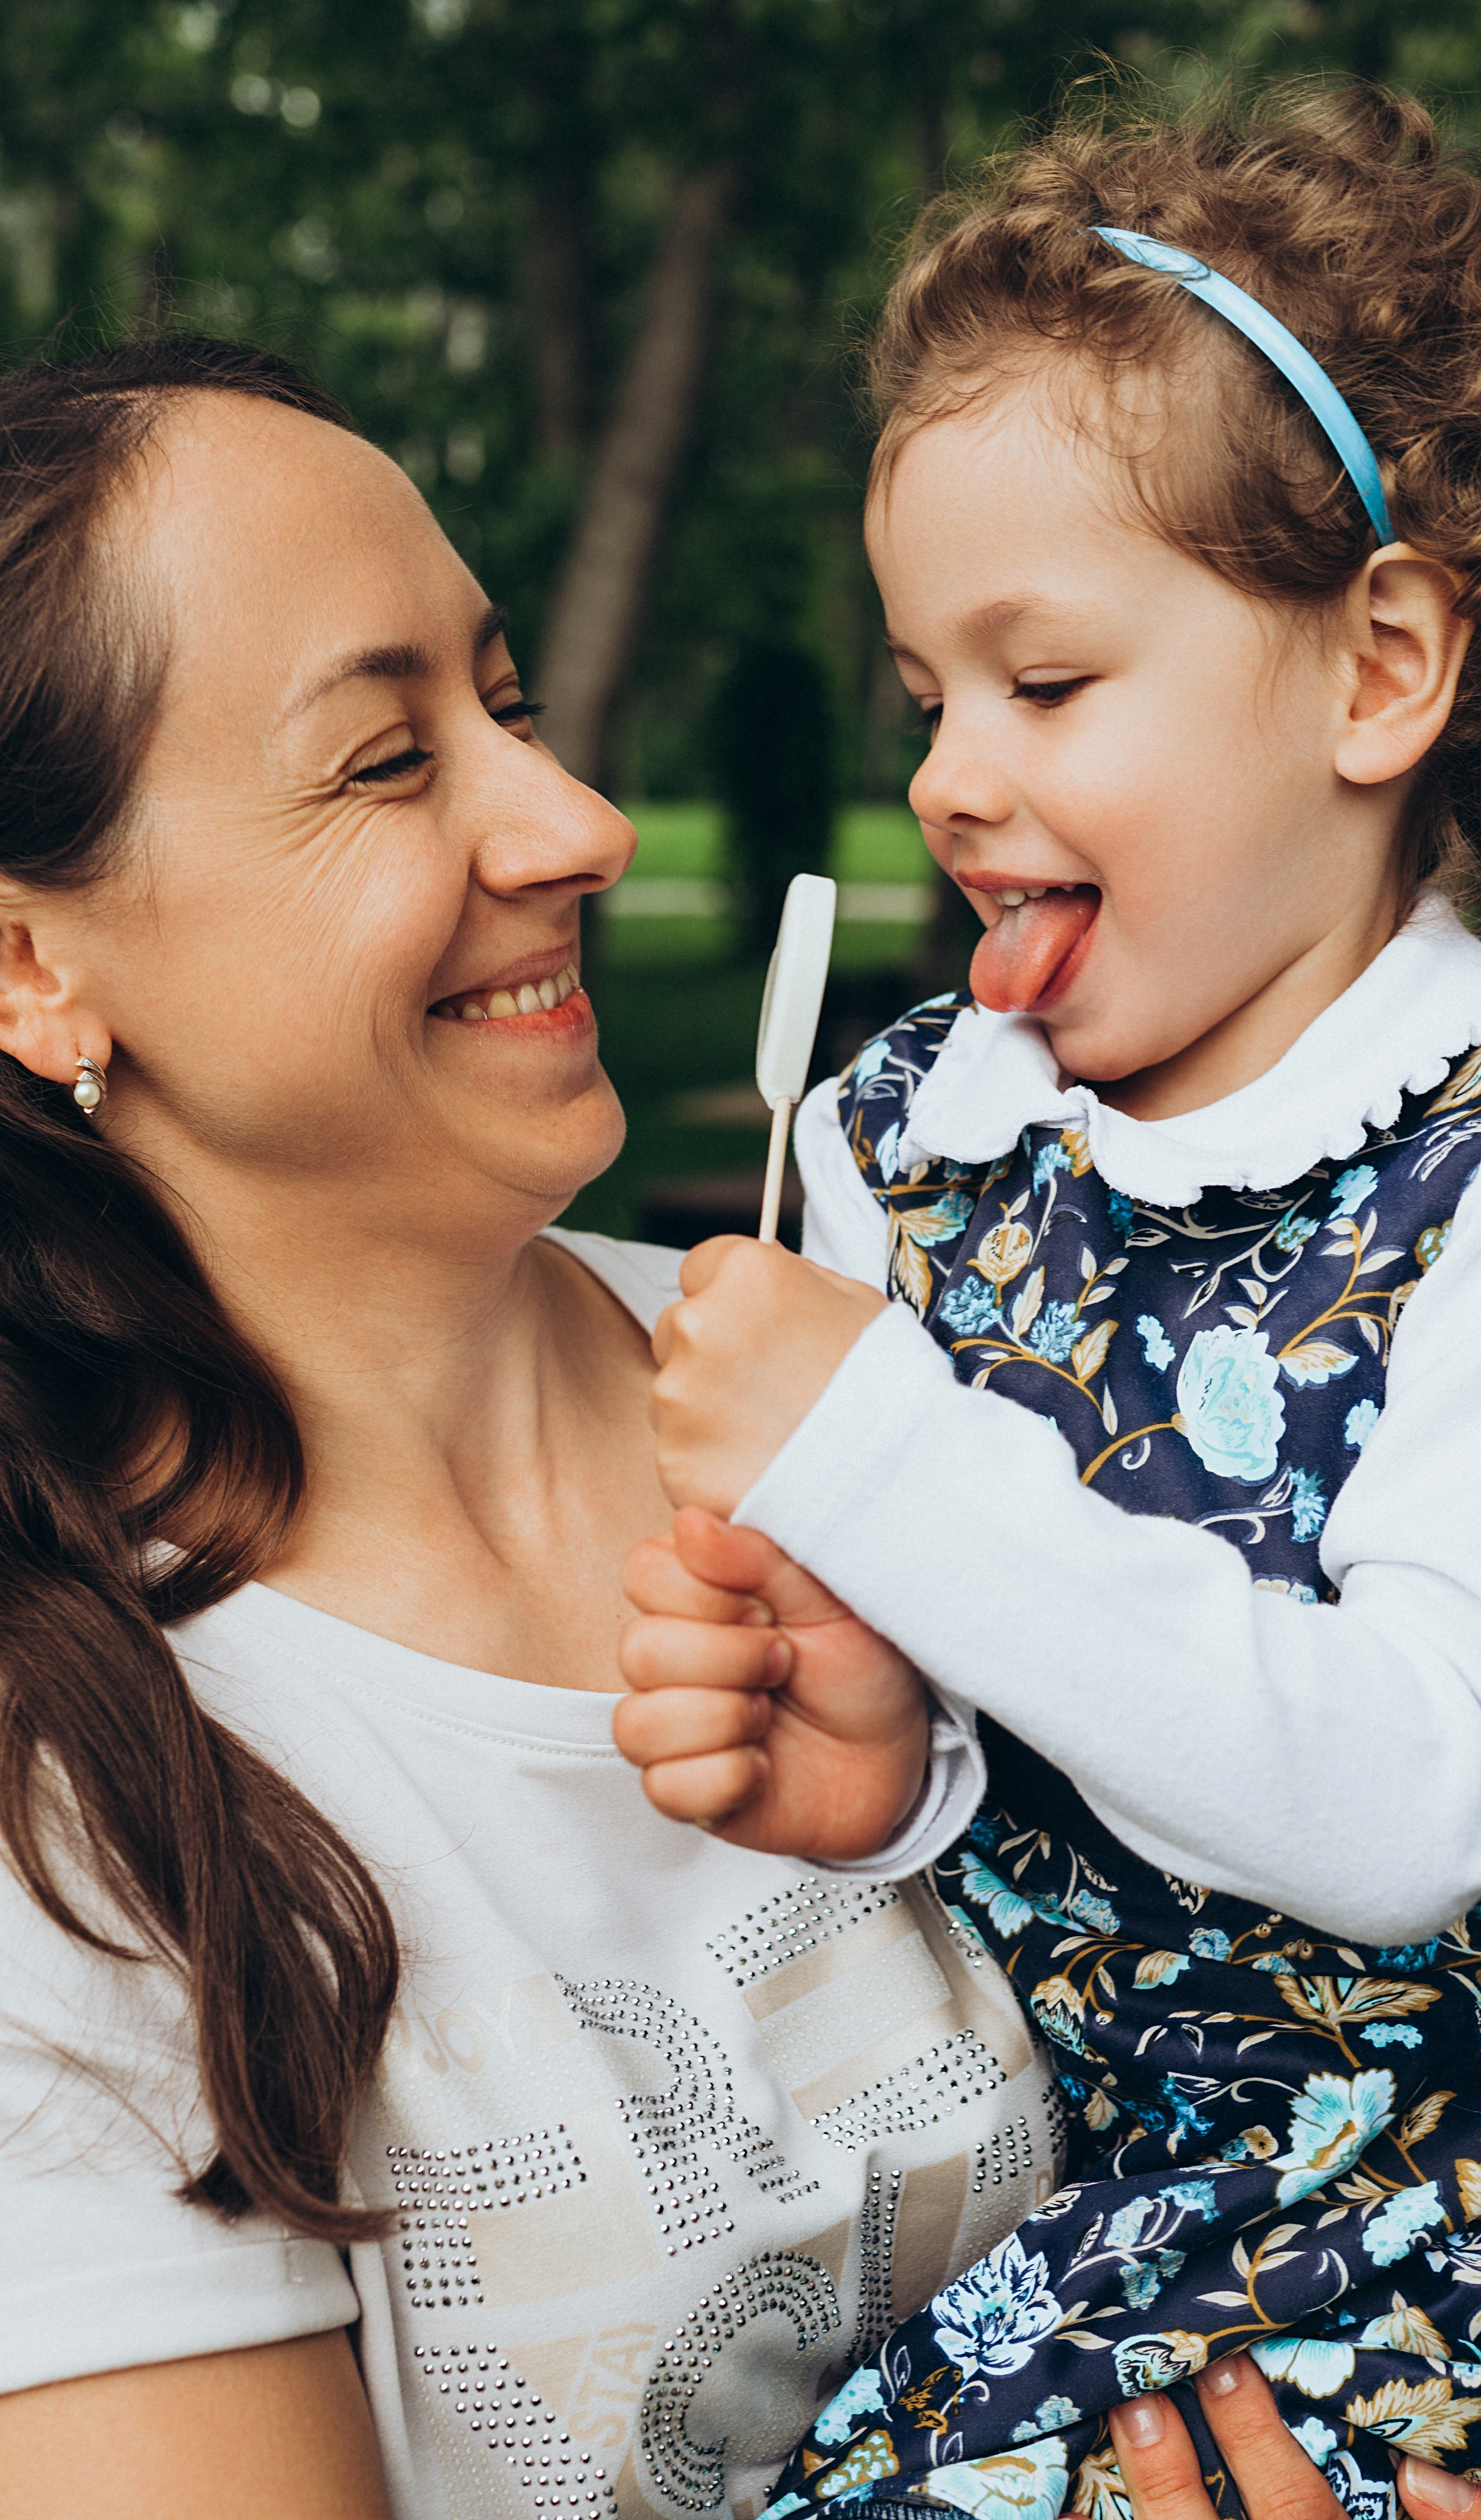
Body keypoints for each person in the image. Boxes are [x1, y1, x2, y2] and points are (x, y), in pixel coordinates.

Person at [611, 83, 1481, 2520]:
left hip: (1458, 2245)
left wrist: (879, 1447)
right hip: (1039, 2192)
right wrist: (888, 1762)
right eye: (924, 704)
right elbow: (1002, 1725)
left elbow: (1415, 1796)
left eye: (1049, 685)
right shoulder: (909, 1149)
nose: (956, 781)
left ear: (1378, 671)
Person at [0, 336, 1070, 2520]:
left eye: (512, 704)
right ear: (31, 967)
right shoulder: (72, 1799)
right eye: (388, 762)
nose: (573, 825)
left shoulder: (897, 1395)